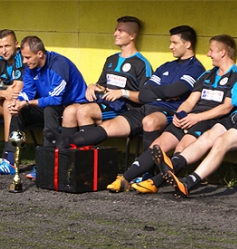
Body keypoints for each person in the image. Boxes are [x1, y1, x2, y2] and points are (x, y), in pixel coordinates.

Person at [44, 25, 205, 161]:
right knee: (106, 125)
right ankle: (68, 144)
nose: (170, 46)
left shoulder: (196, 68)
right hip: (145, 107)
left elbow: (174, 91)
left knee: (149, 121)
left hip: (167, 111)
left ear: (188, 44)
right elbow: (146, 92)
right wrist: (164, 93)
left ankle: (145, 172)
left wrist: (161, 93)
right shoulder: (166, 66)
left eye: (174, 43)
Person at [152, 30, 237, 198]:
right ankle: (173, 164)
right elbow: (236, 96)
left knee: (221, 142)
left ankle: (189, 182)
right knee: (207, 136)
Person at [131, 34, 237, 194]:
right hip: (192, 118)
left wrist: (196, 117)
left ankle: (156, 182)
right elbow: (190, 101)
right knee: (160, 144)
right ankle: (129, 178)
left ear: (223, 52)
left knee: (182, 145)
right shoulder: (207, 75)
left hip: (211, 121)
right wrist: (180, 114)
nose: (208, 54)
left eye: (211, 50)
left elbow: (226, 108)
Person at [49, 16, 152, 140]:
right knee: (69, 111)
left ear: (132, 36)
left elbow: (146, 97)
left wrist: (122, 93)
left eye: (120, 31)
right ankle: (67, 155)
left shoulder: (141, 63)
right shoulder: (111, 59)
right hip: (106, 102)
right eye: (116, 30)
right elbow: (102, 86)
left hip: (126, 108)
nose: (115, 34)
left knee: (84, 111)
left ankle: (88, 155)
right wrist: (93, 86)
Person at [6, 35, 88, 175]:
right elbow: (28, 92)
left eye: (27, 57)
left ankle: (46, 163)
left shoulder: (58, 64)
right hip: (49, 103)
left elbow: (56, 99)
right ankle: (10, 160)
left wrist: (27, 102)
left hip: (73, 104)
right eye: (23, 57)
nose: (24, 62)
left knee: (50, 110)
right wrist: (18, 102)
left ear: (40, 54)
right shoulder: (31, 67)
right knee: (19, 111)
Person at [0, 29, 24, 174]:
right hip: (8, 100)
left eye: (7, 46)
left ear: (16, 44)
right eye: (0, 47)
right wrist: (4, 91)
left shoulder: (22, 58)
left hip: (26, 105)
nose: (3, 51)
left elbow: (16, 91)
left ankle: (9, 159)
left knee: (9, 103)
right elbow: (8, 91)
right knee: (6, 100)